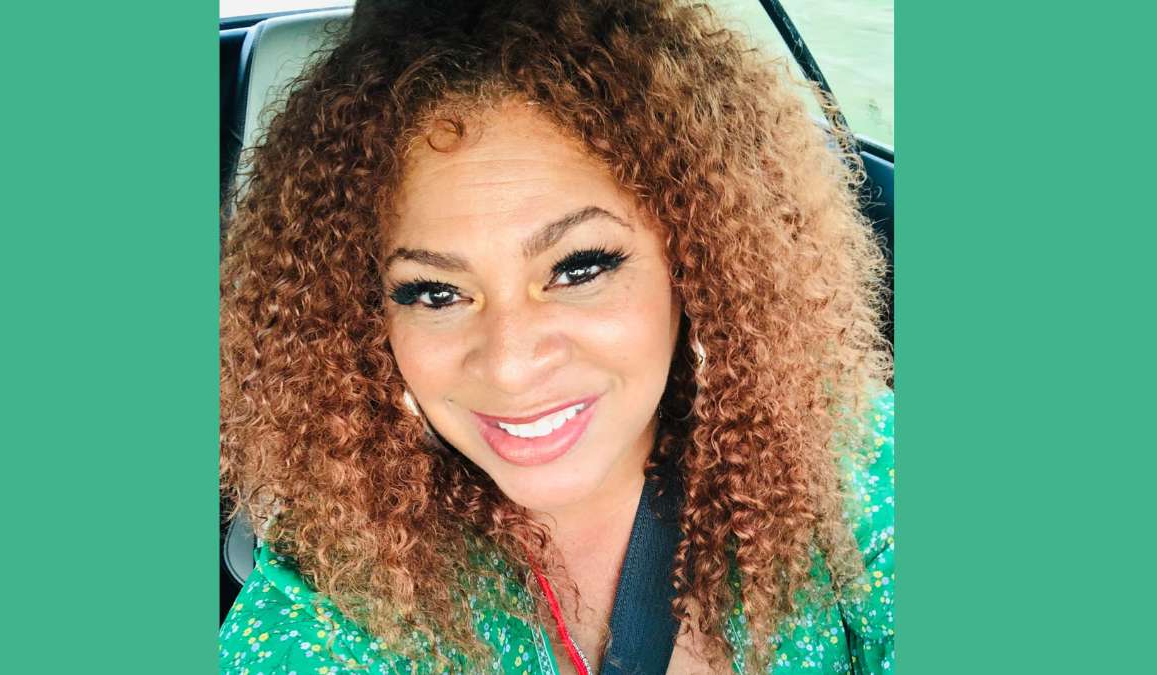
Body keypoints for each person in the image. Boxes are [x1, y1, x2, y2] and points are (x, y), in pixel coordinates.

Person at [219, 0, 893, 673]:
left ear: (697, 257)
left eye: (578, 269)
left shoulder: (840, 456)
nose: (511, 366)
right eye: (437, 293)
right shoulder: (338, 582)